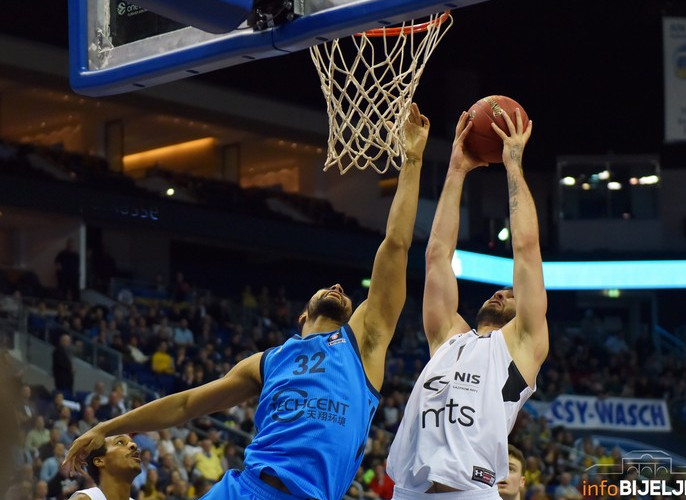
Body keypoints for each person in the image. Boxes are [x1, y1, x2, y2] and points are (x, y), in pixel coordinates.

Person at [64, 103, 430, 500]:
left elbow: (396, 245)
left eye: (345, 291)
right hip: (244, 488)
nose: (339, 286)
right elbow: (186, 404)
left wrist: (411, 159)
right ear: (302, 315)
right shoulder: (266, 361)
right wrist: (107, 428)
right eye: (329, 288)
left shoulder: (365, 341)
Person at [387, 107, 548, 497]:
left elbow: (526, 249)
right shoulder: (449, 338)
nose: (500, 292)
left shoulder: (523, 343)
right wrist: (457, 169)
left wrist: (513, 167)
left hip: (470, 491)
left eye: (510, 294)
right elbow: (437, 256)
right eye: (501, 290)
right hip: (410, 490)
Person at [68, 435, 142, 500]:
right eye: (120, 442)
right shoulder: (84, 498)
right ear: (99, 461)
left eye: (132, 441)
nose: (134, 445)